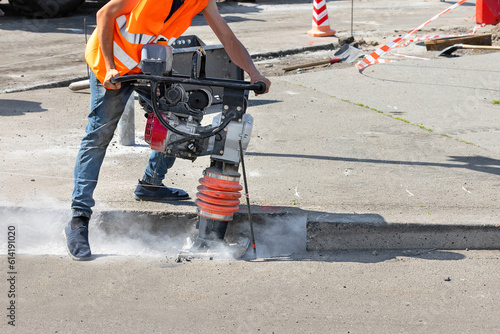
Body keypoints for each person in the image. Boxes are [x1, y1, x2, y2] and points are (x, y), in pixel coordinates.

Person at [64, 0, 271, 261]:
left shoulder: (202, 1)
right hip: (112, 65)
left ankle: (151, 184)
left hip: (149, 65)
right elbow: (104, 14)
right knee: (99, 134)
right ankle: (78, 219)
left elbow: (227, 37)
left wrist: (254, 74)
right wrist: (109, 66)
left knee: (179, 118)